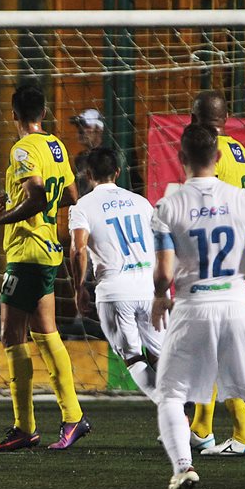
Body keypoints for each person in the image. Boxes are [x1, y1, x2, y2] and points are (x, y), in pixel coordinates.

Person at [149, 123, 245, 489]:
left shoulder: (168, 206)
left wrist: (160, 296)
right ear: (218, 157)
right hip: (236, 306)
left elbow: (164, 272)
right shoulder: (243, 199)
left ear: (182, 158)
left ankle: (183, 467)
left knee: (169, 395)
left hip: (192, 307)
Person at [0, 84, 88, 451]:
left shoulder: (23, 148)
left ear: (13, 115)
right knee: (46, 333)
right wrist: (12, 199)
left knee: (12, 337)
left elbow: (38, 198)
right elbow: (70, 197)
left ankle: (25, 426)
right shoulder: (55, 145)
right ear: (43, 114)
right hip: (49, 251)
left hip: (26, 252)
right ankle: (72, 416)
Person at [184, 90, 245, 457]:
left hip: (223, 261)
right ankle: (201, 428)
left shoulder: (210, 154)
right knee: (209, 348)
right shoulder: (241, 151)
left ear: (196, 117)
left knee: (223, 350)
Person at [68, 147, 160, 401]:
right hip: (149, 288)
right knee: (160, 354)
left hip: (115, 290)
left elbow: (78, 250)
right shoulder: (142, 203)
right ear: (117, 172)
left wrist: (79, 289)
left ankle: (175, 415)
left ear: (88, 174)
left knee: (133, 357)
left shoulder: (82, 206)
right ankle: (188, 420)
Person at [70, 108, 106, 198]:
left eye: (85, 126)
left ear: (99, 129)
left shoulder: (107, 157)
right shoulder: (80, 158)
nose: (80, 131)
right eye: (78, 126)